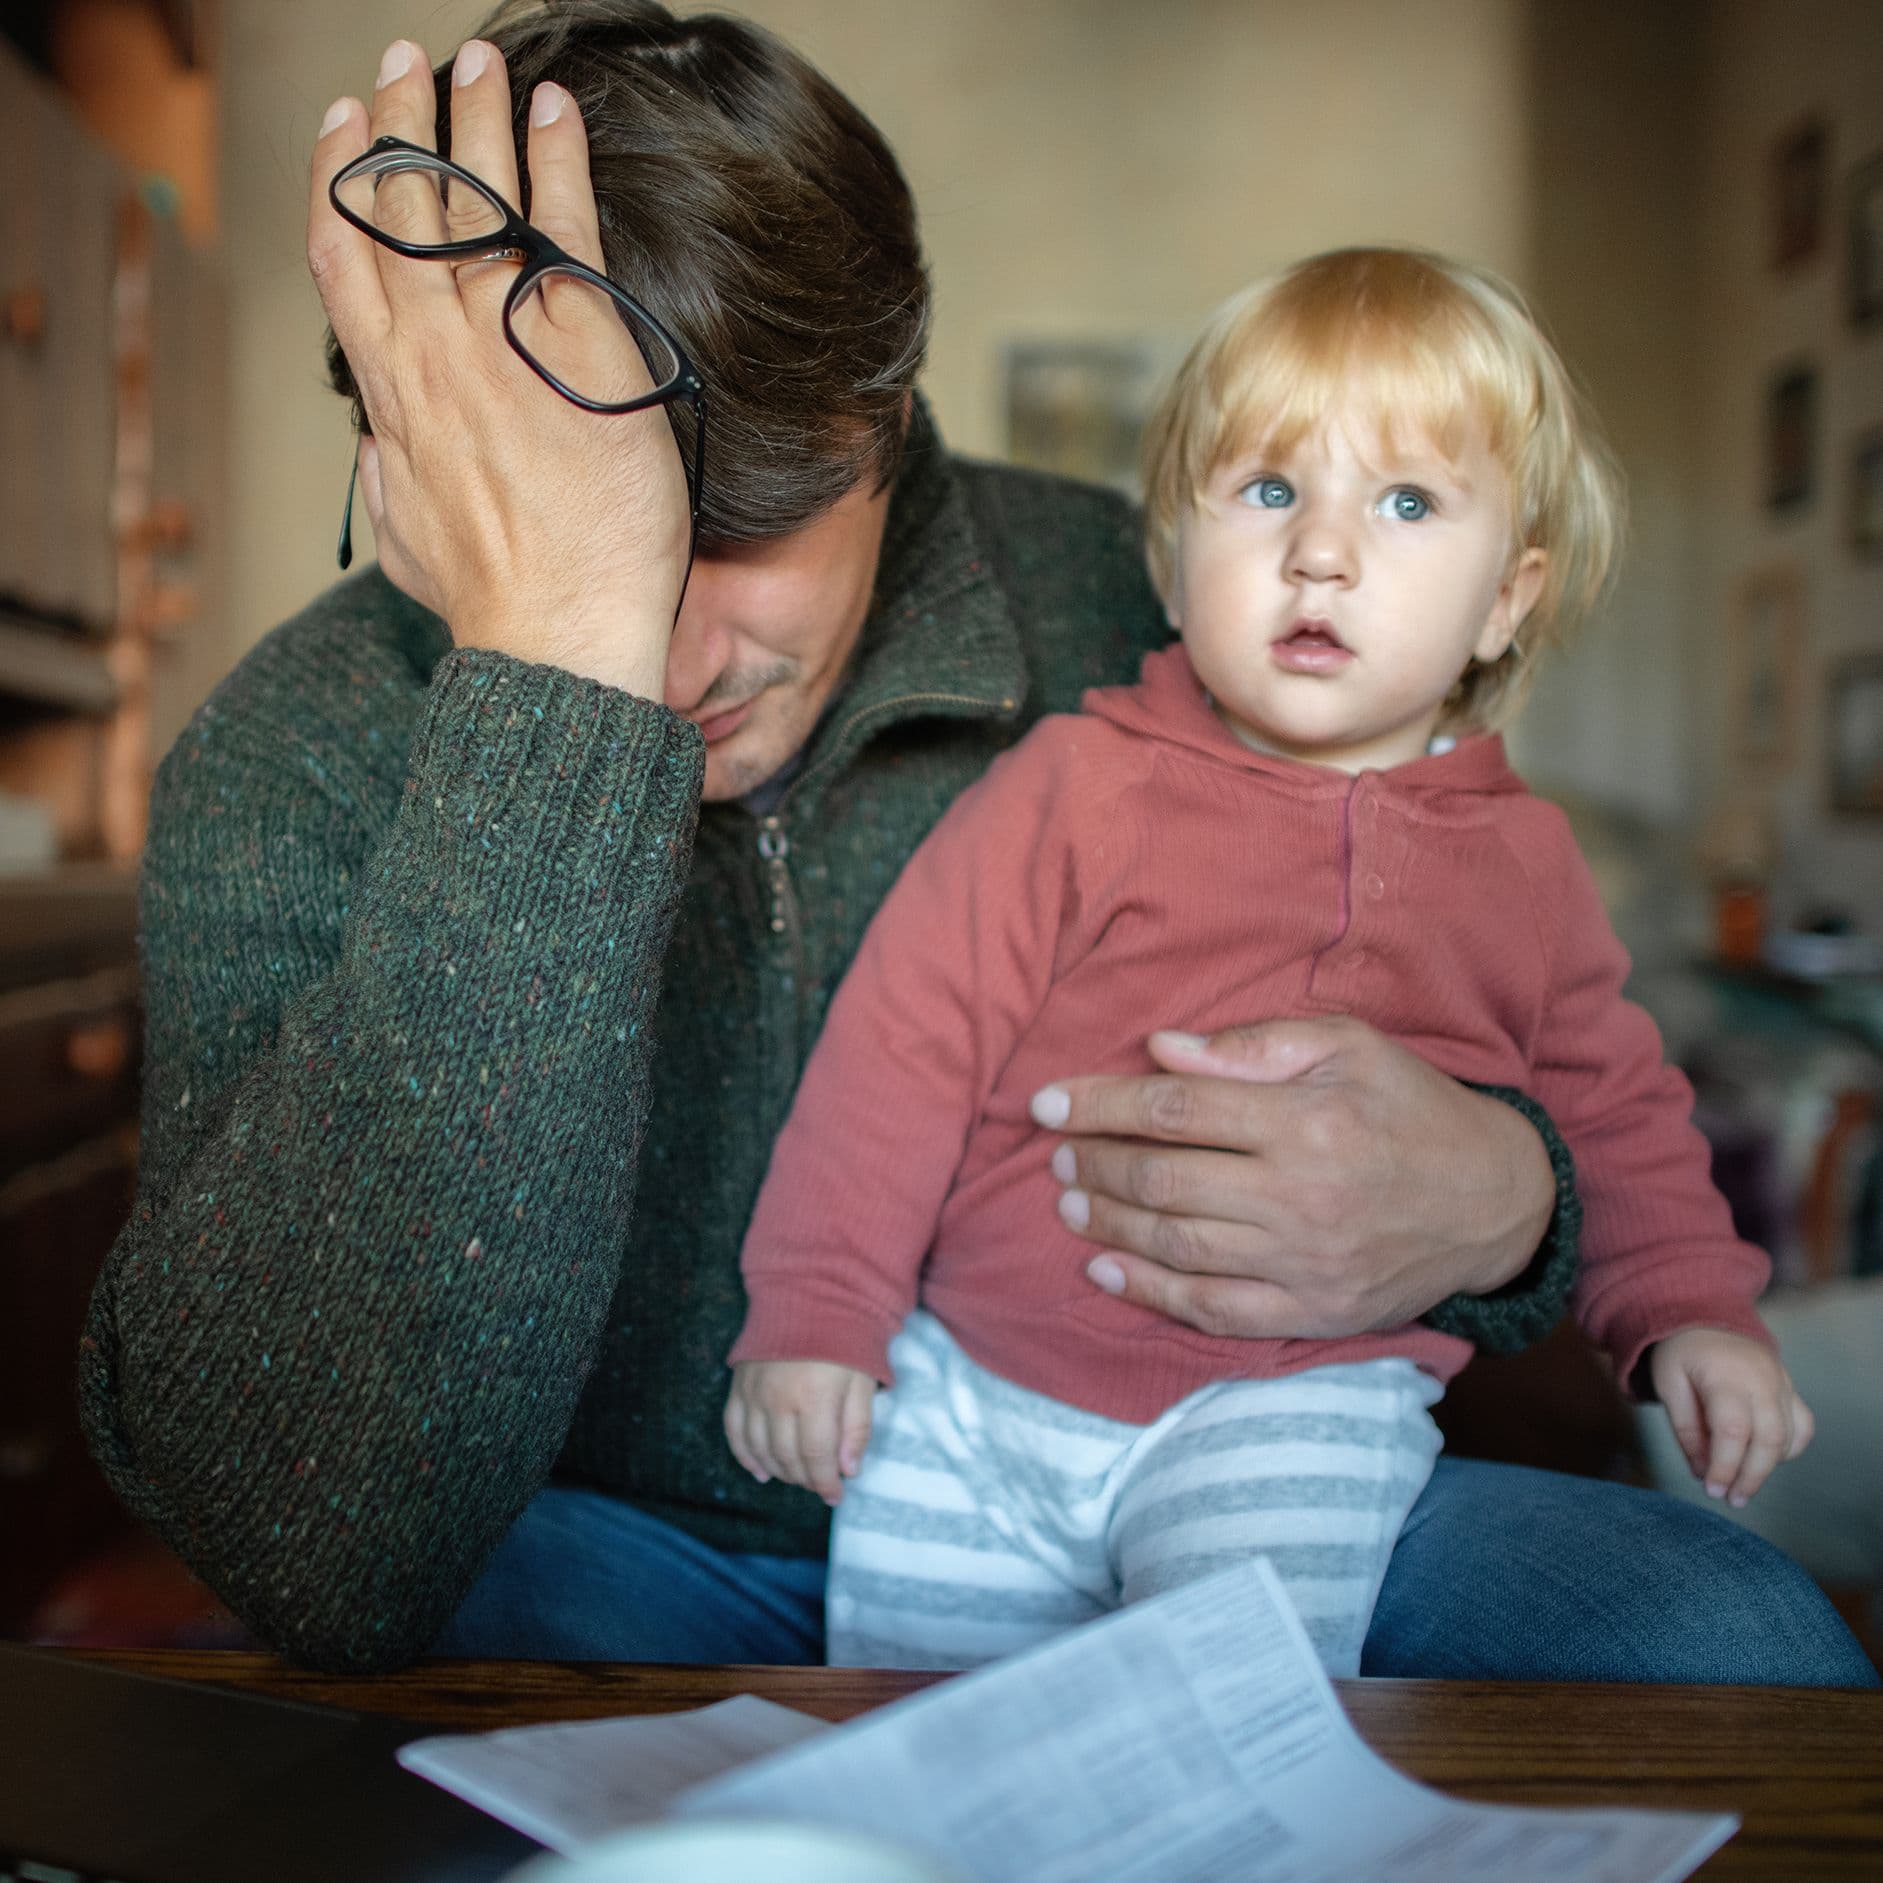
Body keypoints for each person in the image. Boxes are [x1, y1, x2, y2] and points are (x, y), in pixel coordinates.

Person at [75, 0, 1874, 1685]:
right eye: (591, 551)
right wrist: (547, 678)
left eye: (731, 538)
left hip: (1190, 1470)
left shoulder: (1144, 603)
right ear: (408, 459)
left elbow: (1510, 1002)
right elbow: (309, 1547)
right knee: (366, 1689)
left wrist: (1518, 1200)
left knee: (1729, 1640)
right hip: (617, 1559)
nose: (671, 655)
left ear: (887, 417)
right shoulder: (294, 752)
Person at [724, 249, 1812, 1674]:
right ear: (1177, 561)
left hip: (1291, 1410)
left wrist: (1691, 1309)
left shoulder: (1523, 865)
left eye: (1408, 502)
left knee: (1224, 1716)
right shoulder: (1075, 785)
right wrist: (817, 1310)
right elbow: (902, 1043)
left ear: (1506, 600)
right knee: (919, 1740)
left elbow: (1611, 1112)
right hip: (973, 1400)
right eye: (1269, 491)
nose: (1324, 551)